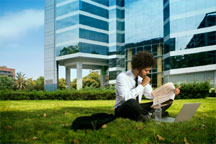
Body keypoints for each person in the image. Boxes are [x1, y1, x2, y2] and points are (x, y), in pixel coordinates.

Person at [114, 51, 181, 122]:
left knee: (163, 102)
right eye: (146, 70)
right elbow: (126, 98)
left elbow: (151, 95)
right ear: (138, 68)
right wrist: (142, 85)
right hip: (123, 109)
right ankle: (150, 114)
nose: (148, 72)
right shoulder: (122, 77)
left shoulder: (141, 78)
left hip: (137, 107)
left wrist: (171, 93)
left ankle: (147, 114)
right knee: (132, 102)